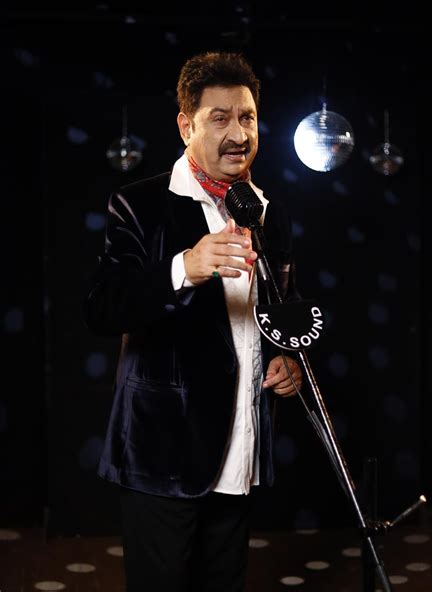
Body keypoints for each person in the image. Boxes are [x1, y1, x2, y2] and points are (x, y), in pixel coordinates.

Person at [84, 50, 302, 592]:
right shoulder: (139, 204)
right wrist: (184, 267)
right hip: (162, 455)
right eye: (219, 118)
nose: (238, 134)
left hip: (241, 446)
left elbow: (282, 308)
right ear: (187, 126)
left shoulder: (268, 212)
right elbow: (103, 307)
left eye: (247, 117)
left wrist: (286, 356)